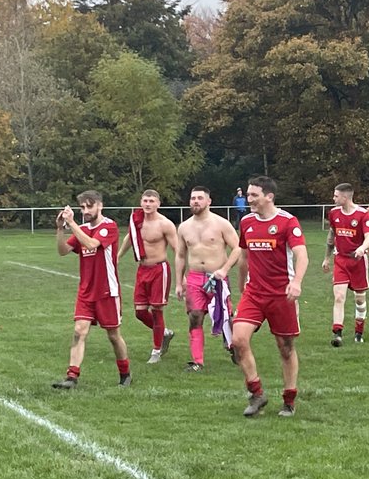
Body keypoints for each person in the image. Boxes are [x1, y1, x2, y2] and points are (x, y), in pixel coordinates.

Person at [213, 175, 308, 417]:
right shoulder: (246, 222)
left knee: (285, 348)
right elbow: (243, 255)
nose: (248, 199)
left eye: (254, 195)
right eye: (248, 194)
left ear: (269, 197)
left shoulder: (287, 222)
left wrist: (296, 282)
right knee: (238, 340)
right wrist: (239, 285)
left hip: (281, 295)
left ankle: (289, 399)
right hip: (254, 293)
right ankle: (256, 393)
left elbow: (302, 255)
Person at [52, 190, 130, 389]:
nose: (85, 211)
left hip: (107, 291)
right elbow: (62, 251)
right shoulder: (82, 228)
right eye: (82, 207)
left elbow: (92, 244)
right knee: (79, 331)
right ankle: (72, 377)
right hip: (86, 291)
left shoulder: (109, 226)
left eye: (89, 206)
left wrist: (72, 224)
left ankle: (125, 373)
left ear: (100, 206)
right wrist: (61, 229)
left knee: (113, 335)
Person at [174, 186, 240, 372]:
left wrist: (225, 270)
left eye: (200, 198)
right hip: (194, 279)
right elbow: (180, 255)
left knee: (226, 316)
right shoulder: (184, 227)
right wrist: (179, 282)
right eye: (193, 198)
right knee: (195, 317)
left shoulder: (221, 223)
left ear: (209, 201)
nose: (195, 201)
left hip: (217, 278)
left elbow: (238, 248)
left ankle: (233, 346)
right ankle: (198, 361)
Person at [118, 189, 178, 365]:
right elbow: (129, 239)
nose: (148, 204)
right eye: (145, 201)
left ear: (158, 203)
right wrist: (118, 257)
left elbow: (178, 250)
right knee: (140, 312)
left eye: (152, 201)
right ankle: (164, 332)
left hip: (159, 270)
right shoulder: (137, 221)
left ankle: (156, 350)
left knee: (157, 310)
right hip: (142, 269)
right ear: (141, 202)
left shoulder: (165, 224)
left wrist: (181, 275)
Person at [322, 183, 369, 345]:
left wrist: (362, 248)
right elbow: (332, 236)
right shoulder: (334, 213)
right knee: (339, 296)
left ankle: (359, 331)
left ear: (345, 197)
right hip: (341, 260)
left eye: (336, 196)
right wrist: (327, 258)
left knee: (359, 299)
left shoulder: (362, 214)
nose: (333, 198)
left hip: (358, 261)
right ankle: (337, 333)